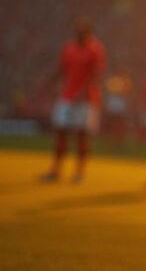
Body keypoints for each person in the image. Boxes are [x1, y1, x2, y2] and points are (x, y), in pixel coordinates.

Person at [40, 18, 106, 183]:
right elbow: (61, 68)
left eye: (82, 32)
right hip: (67, 97)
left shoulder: (95, 49)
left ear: (89, 33)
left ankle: (79, 173)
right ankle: (56, 170)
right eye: (77, 32)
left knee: (82, 135)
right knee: (61, 131)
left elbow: (97, 74)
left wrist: (84, 92)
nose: (79, 35)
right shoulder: (69, 48)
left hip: (86, 100)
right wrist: (48, 83)